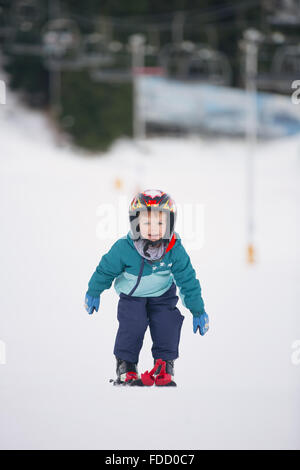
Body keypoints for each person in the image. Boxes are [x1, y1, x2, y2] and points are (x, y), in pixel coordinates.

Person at [84, 189, 209, 387]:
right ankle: (126, 366)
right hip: (132, 296)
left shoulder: (174, 248)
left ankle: (164, 365)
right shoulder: (124, 248)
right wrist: (94, 291)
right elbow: (105, 270)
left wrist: (198, 310)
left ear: (169, 223)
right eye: (147, 223)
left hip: (163, 295)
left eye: (160, 223)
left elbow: (187, 279)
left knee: (167, 322)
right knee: (133, 324)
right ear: (136, 223)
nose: (153, 229)